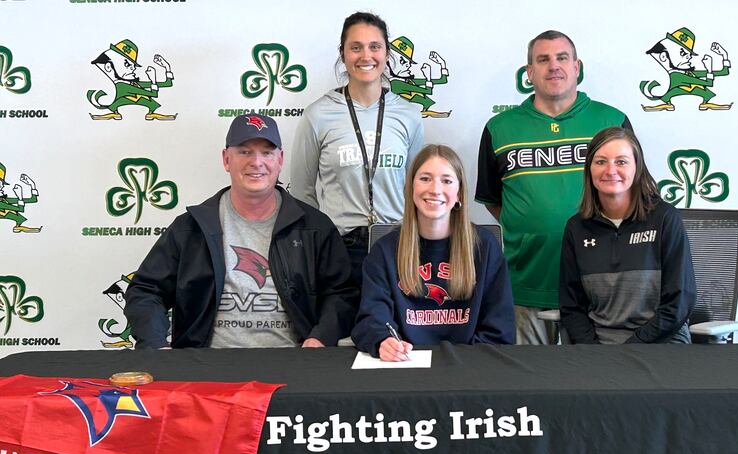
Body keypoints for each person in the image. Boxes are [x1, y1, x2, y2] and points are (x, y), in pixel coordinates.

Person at [124, 113, 357, 349]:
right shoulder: (191, 228)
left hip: (293, 365)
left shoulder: (314, 227)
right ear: (226, 159)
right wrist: (155, 345)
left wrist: (320, 337)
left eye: (266, 152)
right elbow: (145, 291)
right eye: (244, 152)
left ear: (280, 160)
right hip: (207, 368)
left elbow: (342, 294)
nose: (256, 162)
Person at [476, 30, 631, 345]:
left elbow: (633, 193)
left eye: (562, 58)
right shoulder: (500, 128)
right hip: (525, 285)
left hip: (598, 287)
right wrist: (533, 224)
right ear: (529, 72)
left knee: (590, 385)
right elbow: (493, 200)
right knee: (526, 386)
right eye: (542, 60)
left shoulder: (612, 122)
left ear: (577, 67)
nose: (553, 66)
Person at [290, 11, 424, 289]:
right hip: (340, 248)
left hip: (396, 246)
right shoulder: (318, 114)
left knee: (394, 331)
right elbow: (302, 192)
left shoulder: (409, 114)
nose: (366, 56)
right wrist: (322, 241)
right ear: (343, 53)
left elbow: (417, 187)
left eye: (375, 46)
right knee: (343, 330)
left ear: (387, 53)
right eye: (356, 47)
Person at [352, 145, 515, 361]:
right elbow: (371, 319)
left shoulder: (484, 247)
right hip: (406, 366)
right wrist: (384, 341)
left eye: (446, 180)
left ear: (459, 194)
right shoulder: (384, 251)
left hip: (470, 367)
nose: (435, 189)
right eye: (425, 178)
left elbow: (500, 327)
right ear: (410, 188)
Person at [559, 126, 696, 344]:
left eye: (621, 161)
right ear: (589, 169)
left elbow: (678, 303)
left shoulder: (665, 219)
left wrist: (632, 348)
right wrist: (592, 351)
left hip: (660, 344)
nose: (610, 170)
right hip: (599, 349)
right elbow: (571, 307)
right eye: (601, 161)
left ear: (637, 168)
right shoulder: (576, 228)